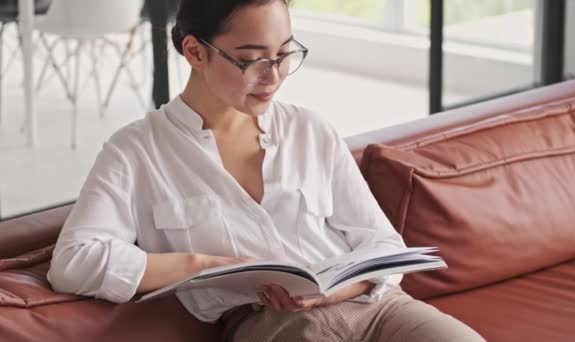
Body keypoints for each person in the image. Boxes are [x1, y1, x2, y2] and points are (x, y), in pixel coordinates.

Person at [47, 0, 486, 341]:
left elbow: (381, 243)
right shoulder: (136, 151)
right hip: (272, 326)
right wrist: (202, 265)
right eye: (251, 58)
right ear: (195, 52)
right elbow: (74, 261)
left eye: (284, 54)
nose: (273, 76)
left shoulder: (310, 130)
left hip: (383, 309)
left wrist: (331, 291)